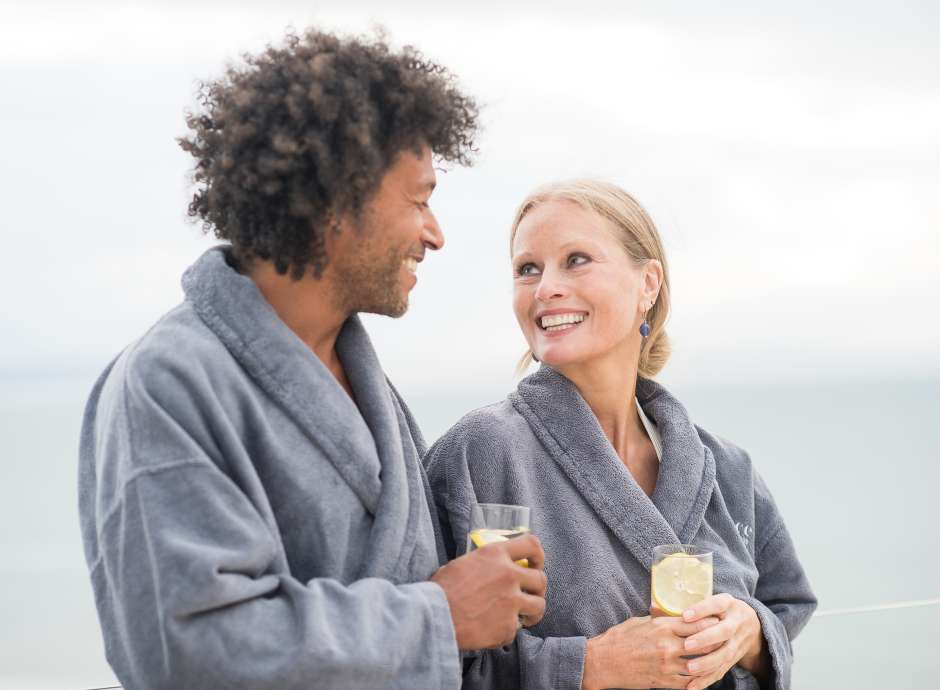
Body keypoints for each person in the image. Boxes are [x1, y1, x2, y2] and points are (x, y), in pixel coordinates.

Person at [77, 29, 547, 690]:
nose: (435, 233)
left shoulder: (368, 387)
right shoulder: (166, 384)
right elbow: (190, 651)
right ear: (335, 202)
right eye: (419, 199)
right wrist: (438, 617)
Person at [424, 180, 817, 690]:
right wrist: (591, 667)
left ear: (648, 283)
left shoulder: (726, 468)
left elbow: (786, 608)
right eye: (527, 269)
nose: (546, 288)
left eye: (576, 259)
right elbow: (428, 658)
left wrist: (751, 633)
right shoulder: (480, 453)